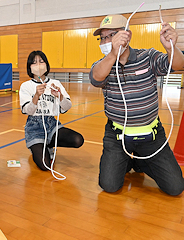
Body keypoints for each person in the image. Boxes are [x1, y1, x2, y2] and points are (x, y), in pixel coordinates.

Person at [90, 14, 184, 195]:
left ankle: (141, 160)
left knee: (175, 187)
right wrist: (112, 55)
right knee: (109, 185)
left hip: (152, 136)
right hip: (117, 137)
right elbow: (96, 78)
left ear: (127, 35)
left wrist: (171, 48)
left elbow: (177, 65)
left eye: (112, 35)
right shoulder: (104, 63)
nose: (106, 40)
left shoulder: (147, 56)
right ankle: (128, 160)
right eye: (103, 37)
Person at [19, 50, 84, 170]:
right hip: (34, 127)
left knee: (77, 140)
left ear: (46, 65)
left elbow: (67, 106)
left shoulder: (55, 83)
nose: (38, 65)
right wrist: (36, 97)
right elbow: (27, 111)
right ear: (29, 67)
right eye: (34, 63)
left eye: (41, 61)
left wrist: (59, 96)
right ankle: (36, 144)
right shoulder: (25, 86)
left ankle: (48, 144)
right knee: (45, 165)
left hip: (51, 125)